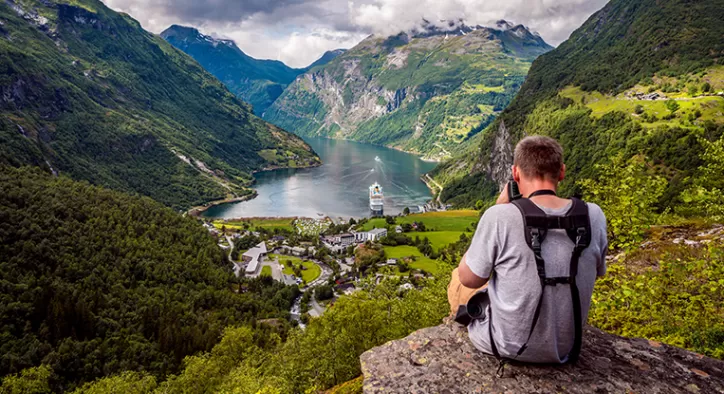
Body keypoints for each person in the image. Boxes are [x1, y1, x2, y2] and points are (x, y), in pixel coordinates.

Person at [448, 135, 608, 364]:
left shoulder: (500, 216)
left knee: (458, 275)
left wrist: (498, 207)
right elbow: (598, 272)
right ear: (561, 172)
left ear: (515, 174)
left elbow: (469, 278)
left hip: (506, 345)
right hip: (567, 347)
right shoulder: (593, 215)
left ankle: (452, 320)